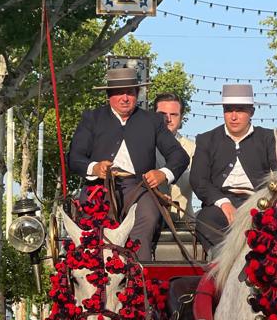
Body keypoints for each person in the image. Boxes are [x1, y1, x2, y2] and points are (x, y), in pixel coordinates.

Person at [67, 67, 189, 262]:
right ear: (109, 96)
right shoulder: (92, 118)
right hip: (99, 188)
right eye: (119, 93)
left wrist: (163, 173)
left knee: (148, 217)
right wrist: (95, 168)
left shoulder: (152, 120)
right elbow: (74, 158)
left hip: (139, 189)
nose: (125, 98)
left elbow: (179, 156)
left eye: (130, 92)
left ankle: (137, 282)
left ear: (137, 94)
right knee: (93, 231)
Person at [190, 84, 277, 254]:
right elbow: (198, 179)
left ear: (251, 112)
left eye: (240, 110)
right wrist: (224, 203)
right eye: (229, 110)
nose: (234, 117)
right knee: (205, 219)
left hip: (259, 203)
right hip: (220, 205)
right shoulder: (207, 139)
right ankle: (221, 262)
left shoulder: (267, 138)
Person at [153, 92, 195, 216]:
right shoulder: (141, 146)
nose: (168, 119)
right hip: (148, 218)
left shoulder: (193, 148)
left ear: (181, 118)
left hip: (184, 221)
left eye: (174, 114)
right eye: (162, 114)